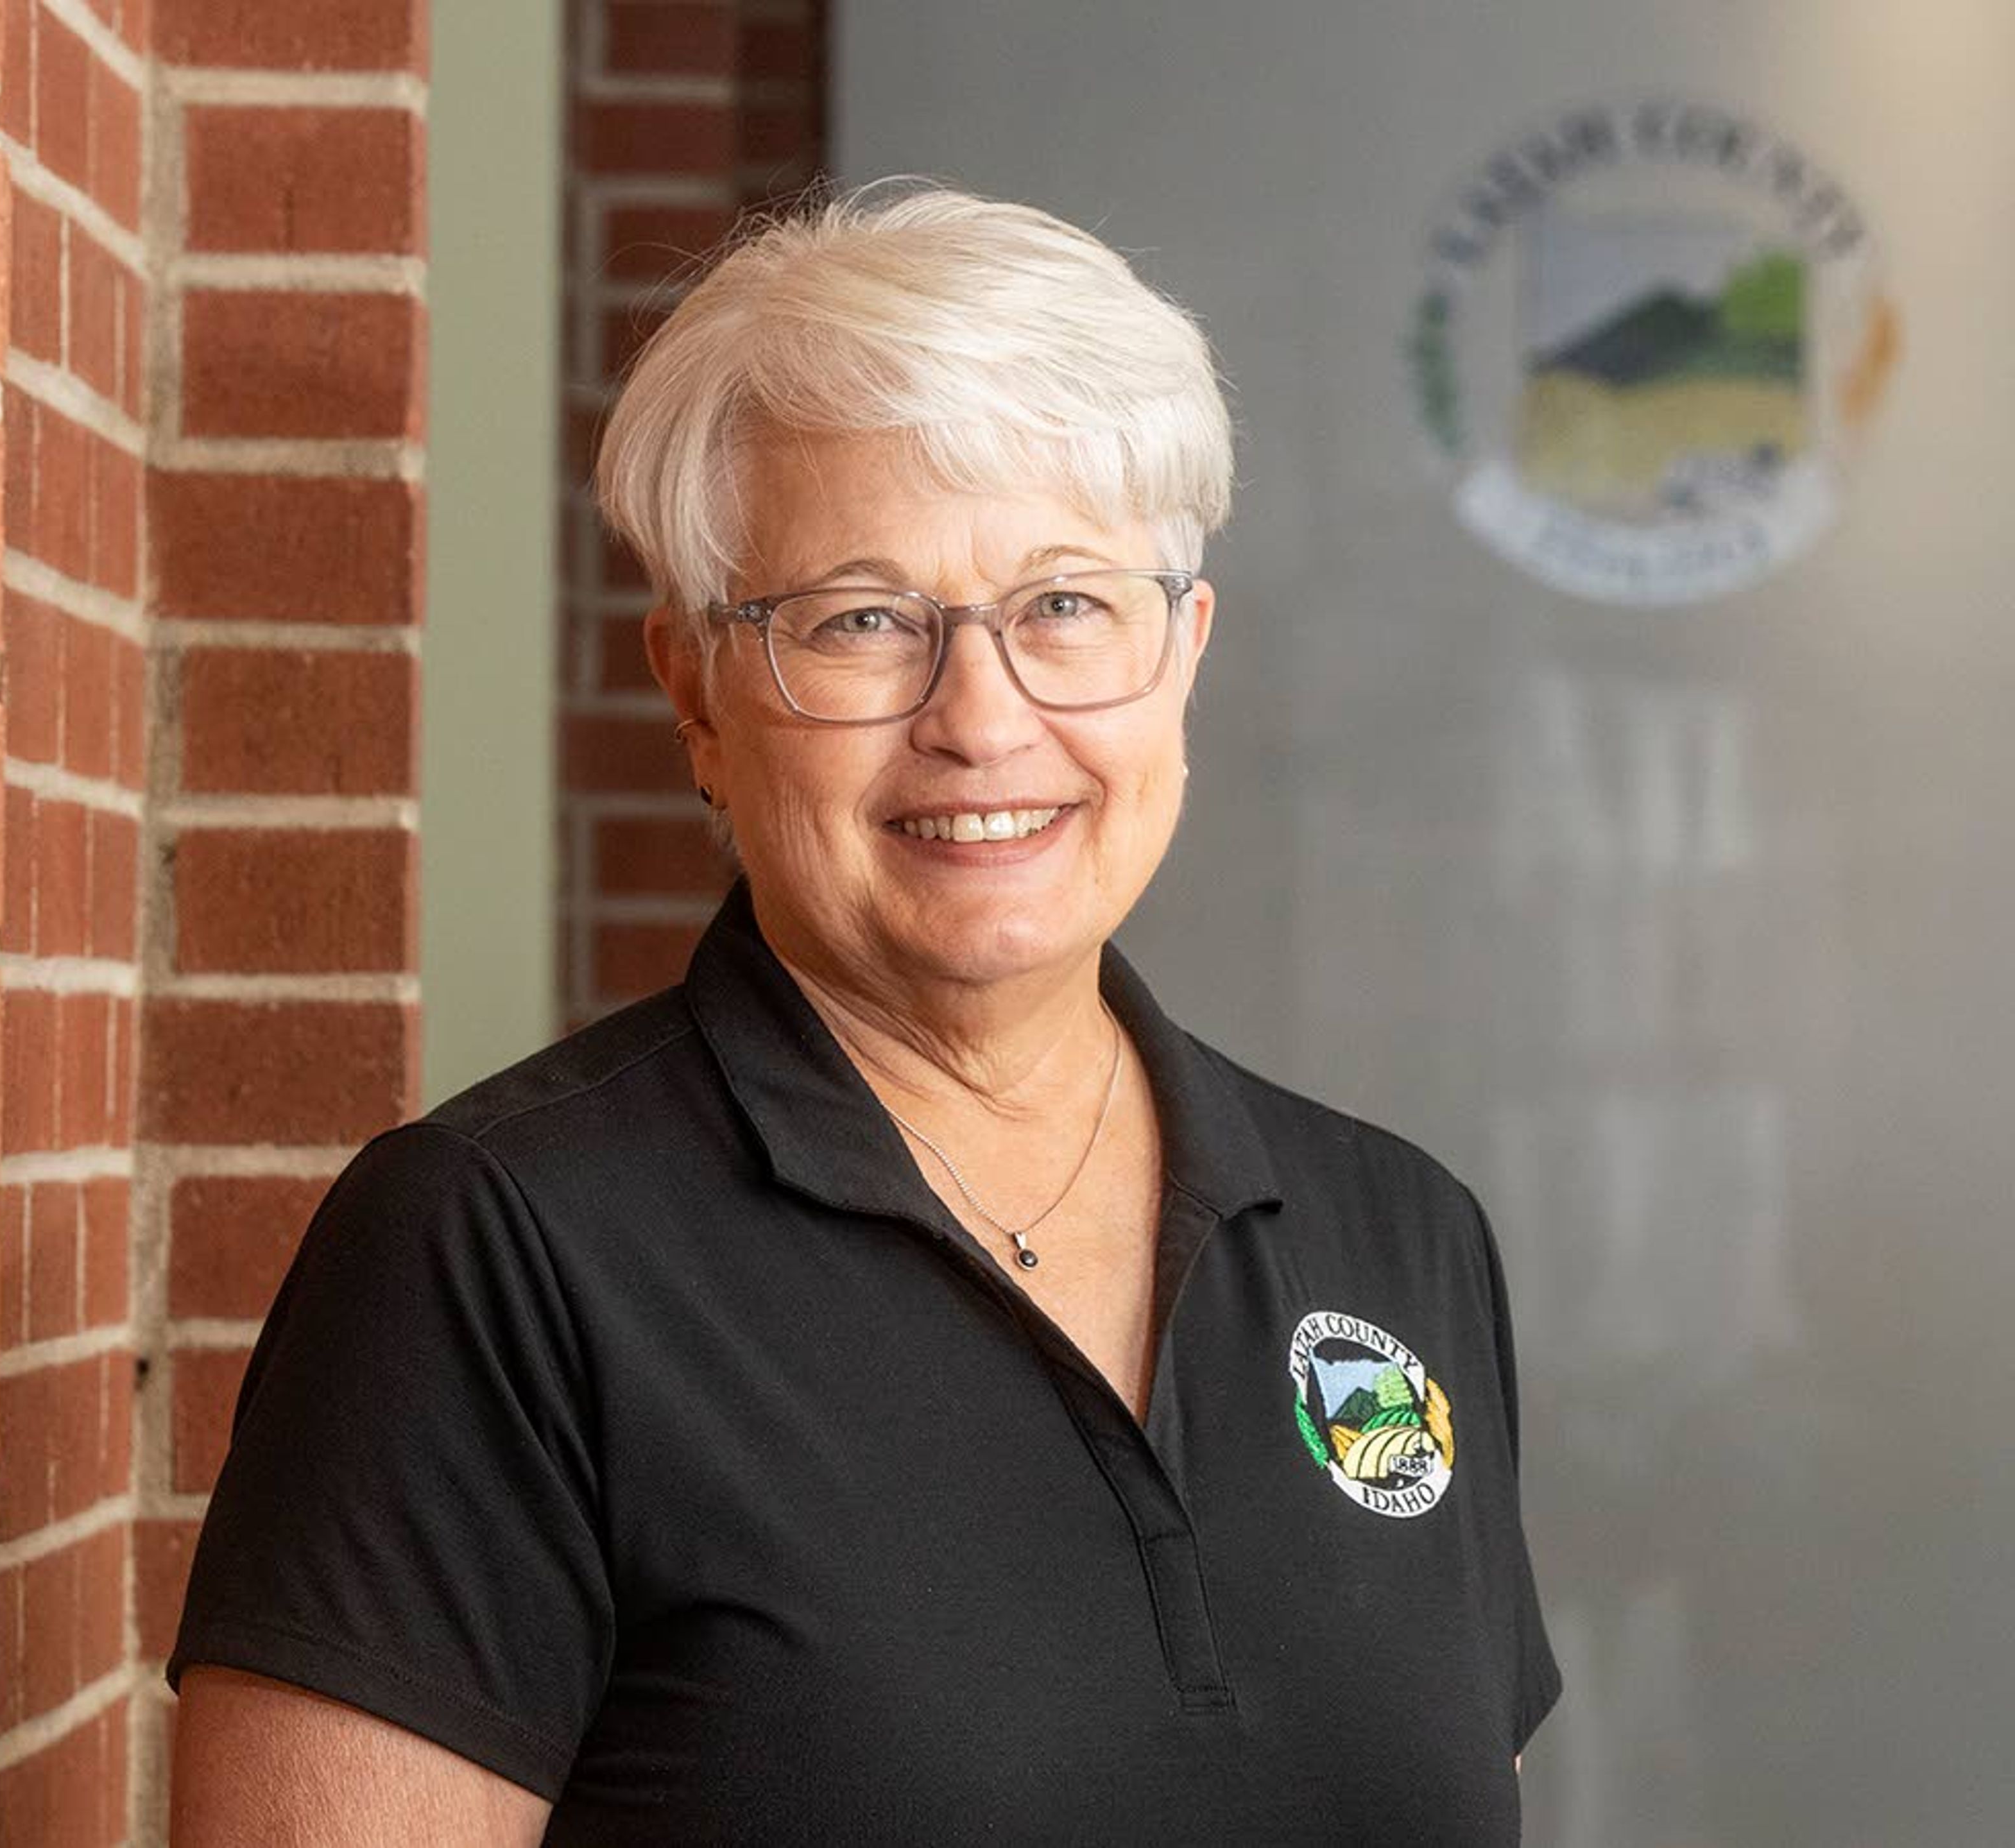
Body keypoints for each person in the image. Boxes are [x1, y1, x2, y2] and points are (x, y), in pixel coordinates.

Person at [167, 182, 1561, 1845]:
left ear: (1184, 651)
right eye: (862, 621)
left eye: (1064, 605)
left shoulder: (1395, 1237)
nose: (981, 722)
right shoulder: (496, 1255)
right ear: (695, 691)